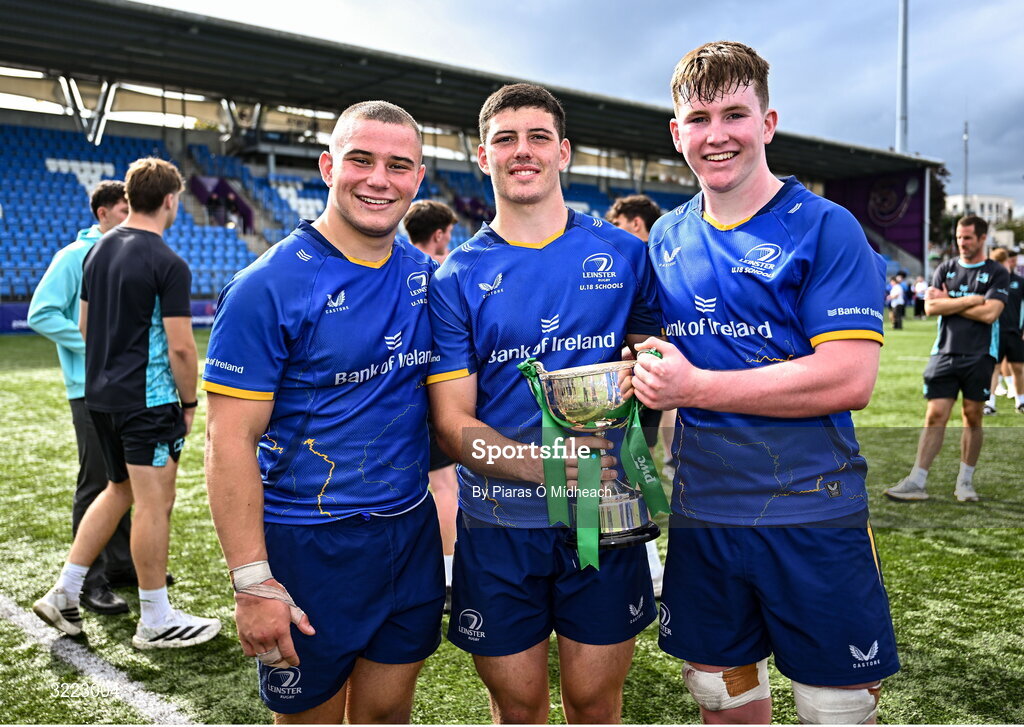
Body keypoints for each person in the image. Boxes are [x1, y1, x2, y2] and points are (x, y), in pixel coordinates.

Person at [632, 42, 899, 724]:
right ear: (677, 133)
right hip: (703, 518)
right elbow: (647, 346)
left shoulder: (825, 227)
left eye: (734, 114)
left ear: (768, 122)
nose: (716, 134)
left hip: (811, 514)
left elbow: (849, 375)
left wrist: (694, 387)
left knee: (835, 708)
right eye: (698, 118)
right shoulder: (664, 236)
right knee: (720, 698)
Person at [427, 83, 661, 724]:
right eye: (505, 139)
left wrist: (651, 372)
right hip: (501, 526)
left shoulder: (625, 255)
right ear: (482, 156)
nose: (521, 151)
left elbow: (661, 361)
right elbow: (451, 424)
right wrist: (551, 465)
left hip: (606, 519)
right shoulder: (456, 277)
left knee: (593, 703)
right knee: (519, 706)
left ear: (563, 152)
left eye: (537, 138)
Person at [203, 101, 444, 724]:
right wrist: (253, 581)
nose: (378, 179)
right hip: (308, 545)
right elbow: (228, 442)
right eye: (360, 160)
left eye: (398, 165)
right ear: (326, 165)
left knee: (389, 714)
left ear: (418, 180)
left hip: (409, 533)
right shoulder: (267, 286)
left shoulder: (428, 278)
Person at [33, 158, 219, 650]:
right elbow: (181, 347)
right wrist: (188, 401)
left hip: (101, 397)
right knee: (154, 503)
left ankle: (65, 590)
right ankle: (155, 618)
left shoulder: (95, 254)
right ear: (170, 201)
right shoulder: (167, 261)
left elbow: (85, 329)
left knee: (118, 490)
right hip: (148, 401)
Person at [28, 181, 133, 616]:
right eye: (124, 208)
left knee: (125, 479)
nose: (131, 215)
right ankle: (90, 581)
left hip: (124, 387)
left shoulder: (124, 254)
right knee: (97, 483)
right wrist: (94, 344)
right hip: (88, 387)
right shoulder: (74, 256)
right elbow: (41, 312)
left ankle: (122, 564)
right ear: (104, 213)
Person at [885, 215, 1008, 502]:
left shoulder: (996, 272)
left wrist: (948, 302)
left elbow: (991, 313)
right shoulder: (946, 268)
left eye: (967, 238)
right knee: (935, 414)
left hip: (980, 354)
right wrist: (970, 300)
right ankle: (917, 481)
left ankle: (964, 483)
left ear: (981, 238)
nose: (962, 243)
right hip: (943, 352)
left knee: (973, 417)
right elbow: (930, 307)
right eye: (958, 238)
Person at [606, 194, 667, 598]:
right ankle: (649, 562)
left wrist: (634, 353)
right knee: (630, 464)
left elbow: (656, 339)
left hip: (639, 383)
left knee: (629, 465)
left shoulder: (641, 265)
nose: (614, 231)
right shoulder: (652, 260)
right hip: (642, 382)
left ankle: (648, 561)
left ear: (636, 224)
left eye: (620, 223)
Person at [403, 199, 460, 604]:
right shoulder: (440, 272)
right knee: (444, 486)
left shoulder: (395, 267)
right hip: (433, 391)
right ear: (439, 234)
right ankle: (451, 573)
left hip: (395, 398)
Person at [982, 247, 1024, 415]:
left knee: (1019, 368)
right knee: (994, 368)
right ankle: (989, 403)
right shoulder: (989, 281)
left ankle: (1020, 401)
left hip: (1015, 332)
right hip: (994, 333)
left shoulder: (1020, 282)